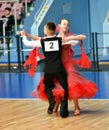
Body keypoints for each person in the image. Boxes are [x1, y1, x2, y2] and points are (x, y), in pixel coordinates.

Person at [24, 18, 98, 116]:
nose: (65, 26)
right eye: (63, 24)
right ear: (59, 26)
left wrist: (76, 37)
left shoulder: (67, 37)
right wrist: (28, 35)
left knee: (72, 84)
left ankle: (76, 106)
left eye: (67, 25)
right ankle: (58, 104)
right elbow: (39, 39)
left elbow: (79, 39)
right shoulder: (56, 37)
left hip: (66, 64)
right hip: (58, 64)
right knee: (57, 85)